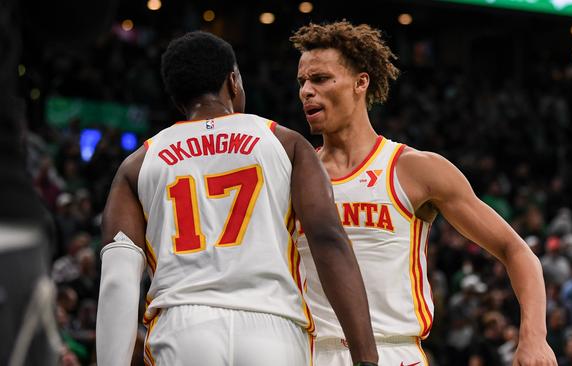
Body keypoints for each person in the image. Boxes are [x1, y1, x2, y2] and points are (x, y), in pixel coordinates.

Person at [96, 31, 378, 366]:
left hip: (183, 328)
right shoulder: (285, 142)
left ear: (177, 98)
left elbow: (118, 279)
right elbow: (328, 238)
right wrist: (365, 356)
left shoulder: (138, 163)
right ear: (233, 81)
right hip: (273, 328)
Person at [291, 21, 557, 365]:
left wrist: (534, 337)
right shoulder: (292, 173)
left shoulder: (414, 169)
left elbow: (517, 251)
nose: (306, 91)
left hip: (393, 350)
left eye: (321, 79)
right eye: (302, 82)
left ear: (361, 83)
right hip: (309, 353)